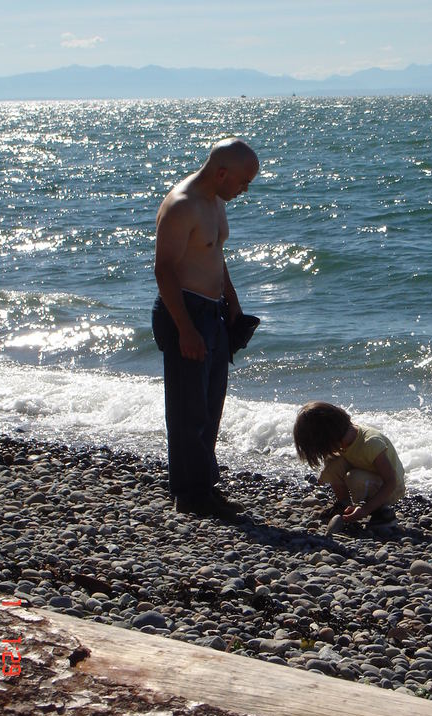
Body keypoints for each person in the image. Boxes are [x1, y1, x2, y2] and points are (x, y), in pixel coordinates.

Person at [152, 138, 259, 519]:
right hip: (184, 308)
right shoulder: (183, 205)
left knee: (210, 403)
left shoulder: (215, 201)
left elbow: (213, 252)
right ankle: (187, 493)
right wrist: (185, 329)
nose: (245, 189)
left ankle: (204, 486)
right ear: (221, 172)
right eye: (243, 181)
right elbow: (164, 269)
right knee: (187, 409)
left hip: (211, 310)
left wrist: (231, 298)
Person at [293, 401, 405, 527]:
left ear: (327, 439)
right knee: (332, 463)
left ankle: (382, 512)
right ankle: (344, 505)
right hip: (370, 476)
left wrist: (365, 510)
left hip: (392, 488)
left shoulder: (370, 443)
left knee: (354, 477)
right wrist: (327, 474)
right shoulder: (346, 439)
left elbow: (391, 481)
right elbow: (333, 466)